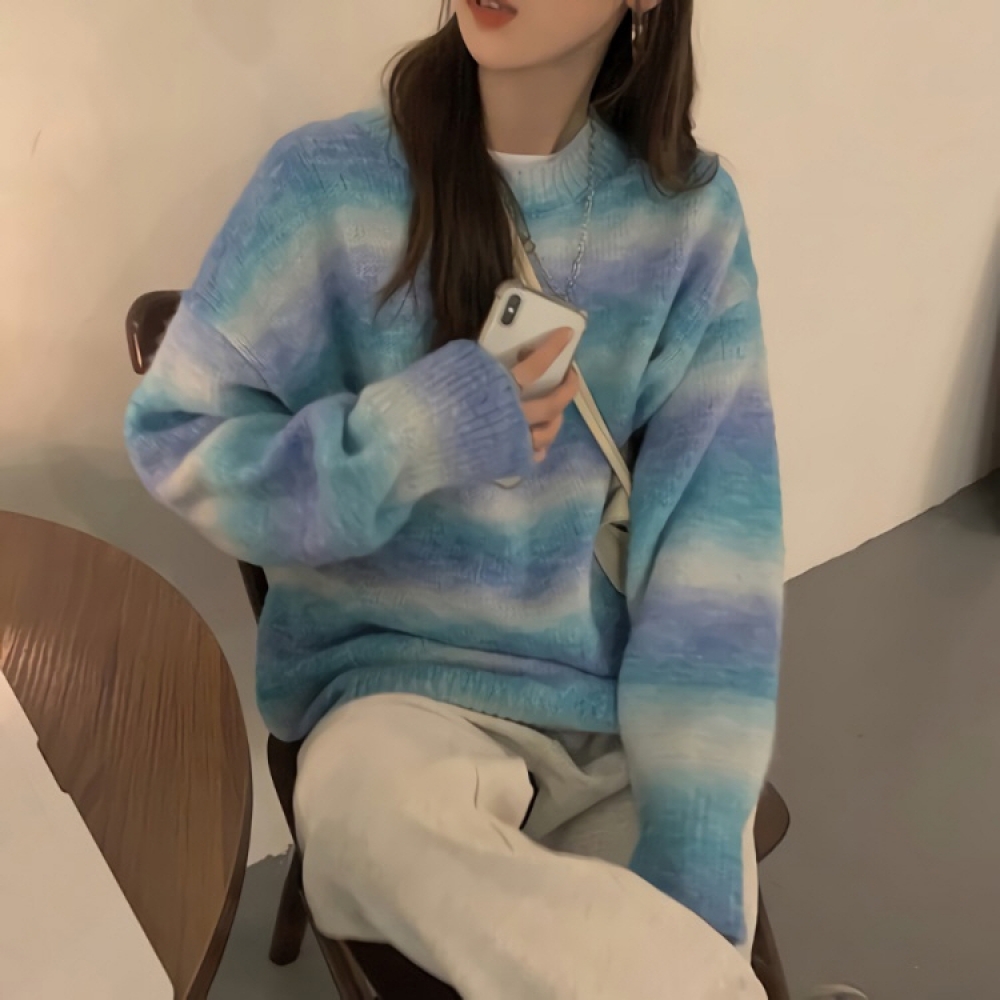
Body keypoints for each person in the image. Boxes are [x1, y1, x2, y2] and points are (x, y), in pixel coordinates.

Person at [125, 2, 798, 997]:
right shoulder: (325, 188)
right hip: (391, 699)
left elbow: (714, 568)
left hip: (603, 711)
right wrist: (409, 437)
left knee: (686, 887)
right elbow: (179, 441)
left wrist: (695, 861)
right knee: (367, 830)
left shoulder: (688, 220)